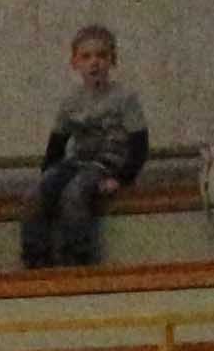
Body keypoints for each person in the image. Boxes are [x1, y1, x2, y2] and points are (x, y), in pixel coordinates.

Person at [21, 28, 150, 268]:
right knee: (34, 194)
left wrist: (123, 178)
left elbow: (140, 145)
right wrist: (48, 177)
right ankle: (36, 260)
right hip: (77, 162)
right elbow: (57, 144)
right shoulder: (71, 101)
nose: (94, 62)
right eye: (86, 56)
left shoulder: (125, 98)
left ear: (112, 60)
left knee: (75, 194)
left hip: (107, 164)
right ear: (75, 63)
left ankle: (77, 260)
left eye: (101, 55)